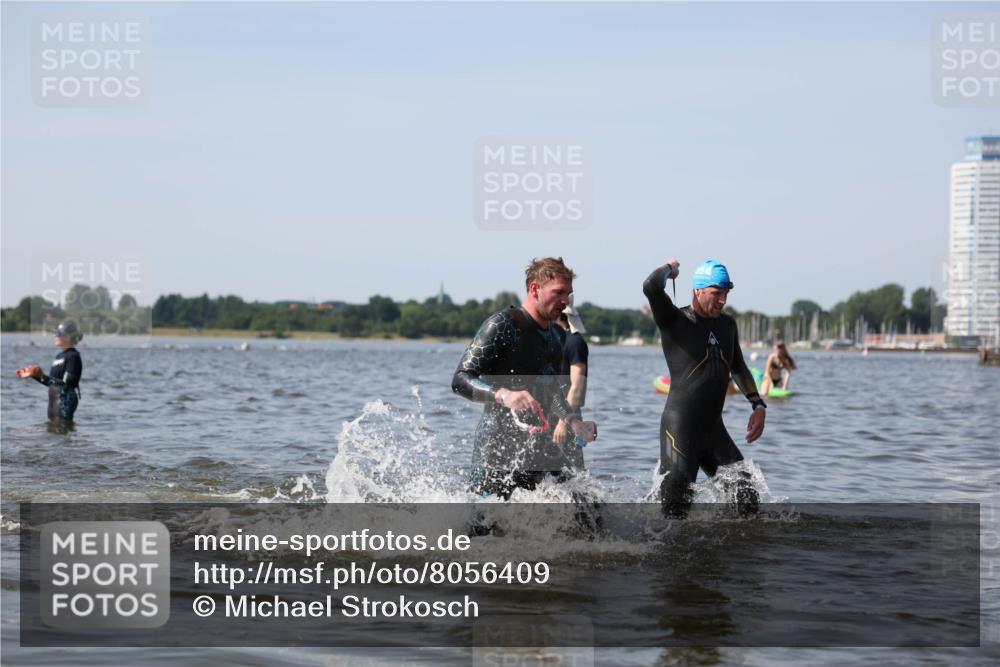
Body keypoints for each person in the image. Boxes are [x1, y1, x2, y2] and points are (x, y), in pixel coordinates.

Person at [452, 258, 598, 499]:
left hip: (537, 452)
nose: (565, 301)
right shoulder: (502, 325)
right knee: (483, 531)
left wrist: (572, 421)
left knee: (588, 514)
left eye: (569, 294)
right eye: (558, 292)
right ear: (534, 289)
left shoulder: (557, 337)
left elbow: (550, 393)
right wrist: (503, 395)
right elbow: (460, 379)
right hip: (496, 453)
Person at [643, 259, 765, 517]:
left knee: (747, 498)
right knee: (675, 511)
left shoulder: (727, 325)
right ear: (698, 290)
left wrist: (758, 404)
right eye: (716, 293)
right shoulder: (674, 320)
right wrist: (669, 269)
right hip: (680, 430)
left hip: (713, 432)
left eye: (726, 294)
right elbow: (651, 286)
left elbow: (739, 367)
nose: (722, 300)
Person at [16, 320, 84, 422]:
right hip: (54, 399)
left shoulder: (73, 357)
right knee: (52, 430)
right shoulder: (59, 356)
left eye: (58, 334)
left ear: (68, 337)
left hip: (65, 401)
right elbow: (51, 383)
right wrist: (34, 375)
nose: (55, 336)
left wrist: (41, 374)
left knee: (61, 431)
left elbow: (66, 385)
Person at [553, 295, 589, 453]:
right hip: (550, 413)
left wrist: (563, 422)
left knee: (571, 474)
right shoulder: (552, 340)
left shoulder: (575, 343)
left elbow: (577, 386)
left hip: (568, 417)